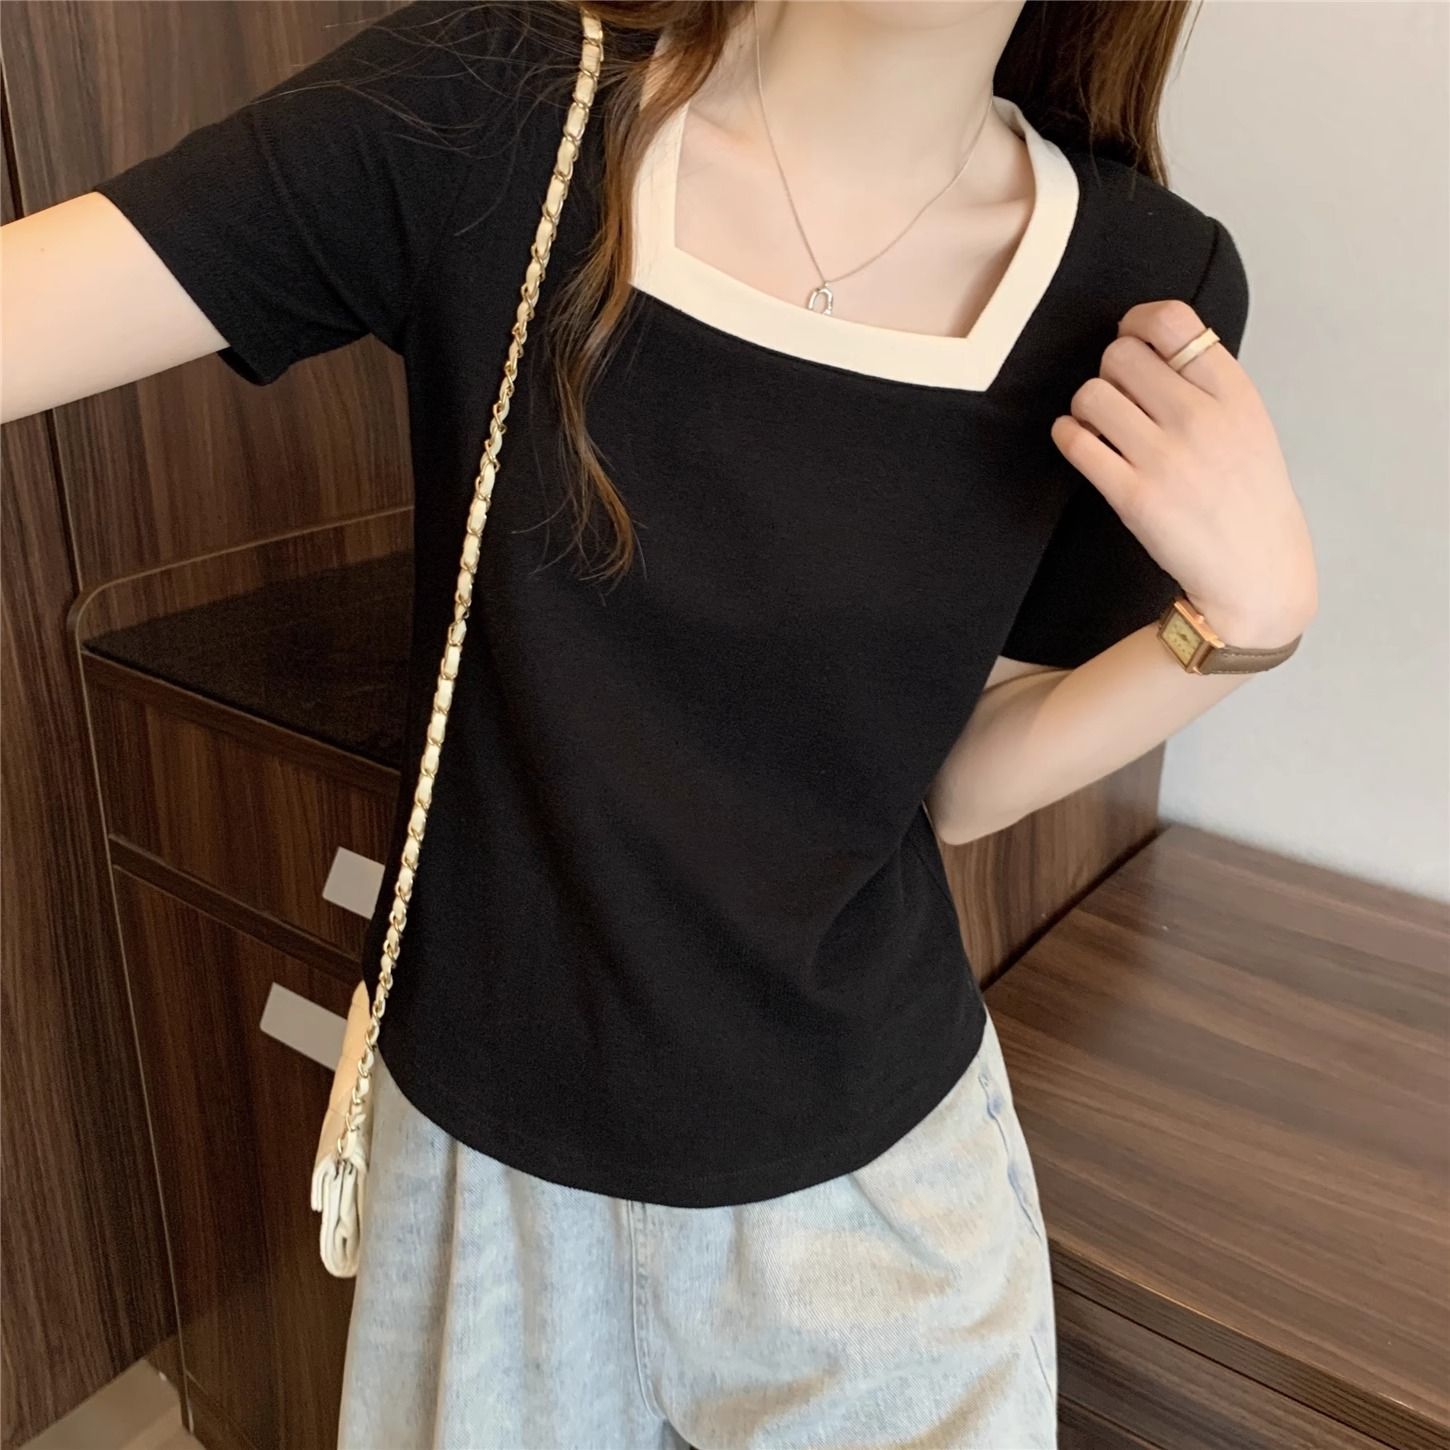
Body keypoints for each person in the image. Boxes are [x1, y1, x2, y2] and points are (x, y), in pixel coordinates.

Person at [0, 1, 1318, 1446]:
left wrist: (1233, 633)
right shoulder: (500, 113)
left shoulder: (1142, 282)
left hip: (878, 1214)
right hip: (492, 1203)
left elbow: (956, 776)